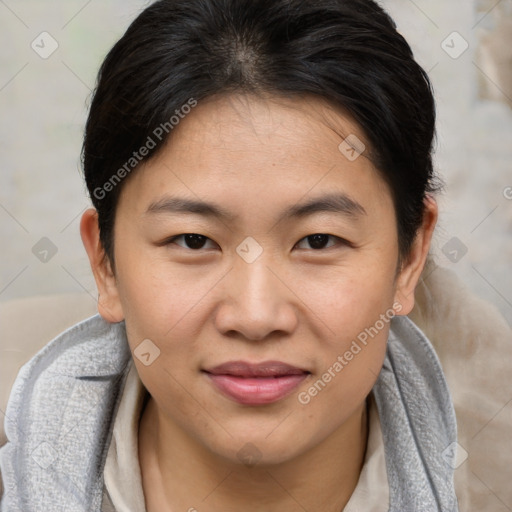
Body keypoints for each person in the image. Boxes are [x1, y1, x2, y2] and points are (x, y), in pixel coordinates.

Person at [0, 0, 461, 510]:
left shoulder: (492, 472)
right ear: (105, 264)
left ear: (411, 257)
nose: (256, 316)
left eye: (318, 241)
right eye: (194, 241)